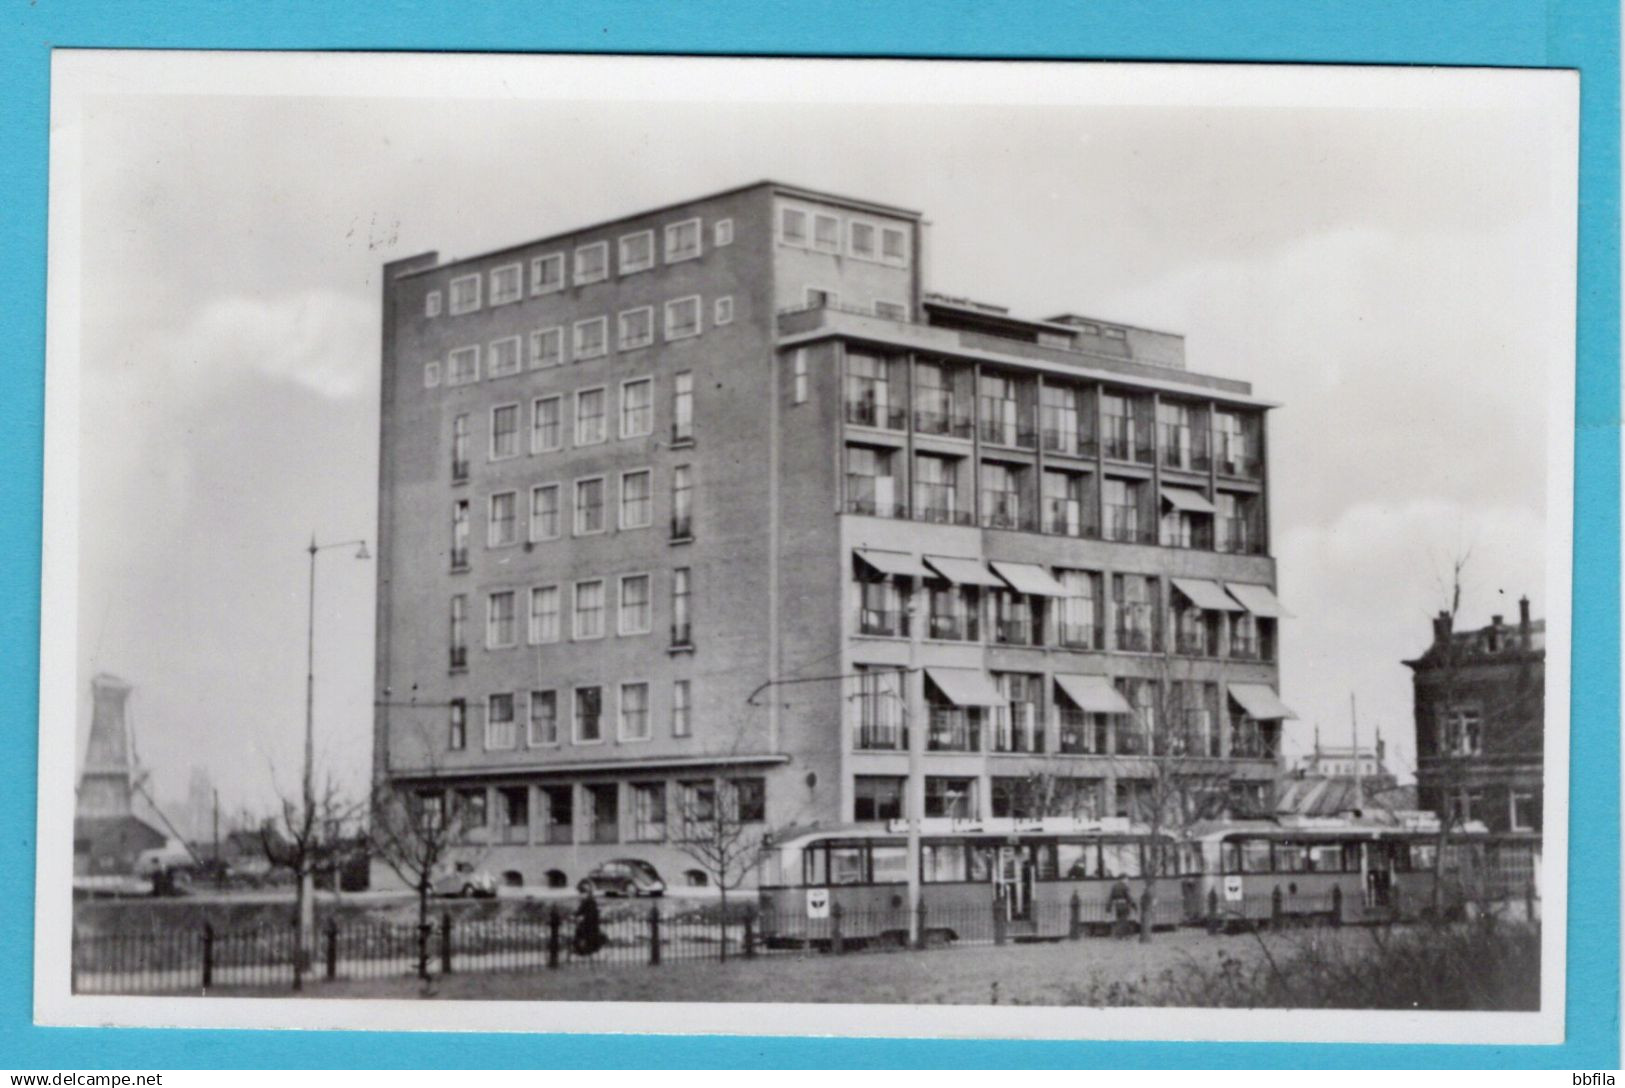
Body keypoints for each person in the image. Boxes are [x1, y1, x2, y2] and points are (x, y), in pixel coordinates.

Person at [572, 888, 607, 956]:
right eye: (580, 894)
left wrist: (582, 917)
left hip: (590, 924)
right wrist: (574, 915)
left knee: (586, 936)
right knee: (580, 935)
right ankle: (581, 950)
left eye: (582, 894)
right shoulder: (585, 902)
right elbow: (580, 911)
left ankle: (584, 950)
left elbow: (591, 913)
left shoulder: (590, 902)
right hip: (587, 924)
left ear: (587, 894)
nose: (581, 896)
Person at [1106, 874, 1136, 938]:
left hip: (1117, 905)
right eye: (1127, 879)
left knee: (1119, 919)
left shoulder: (1114, 886)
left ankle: (1123, 934)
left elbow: (1110, 897)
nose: (1128, 881)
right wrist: (1134, 905)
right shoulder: (1125, 886)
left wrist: (1108, 908)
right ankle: (1121, 935)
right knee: (1124, 919)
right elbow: (1129, 897)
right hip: (1124, 905)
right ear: (1124, 879)